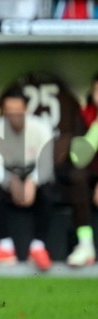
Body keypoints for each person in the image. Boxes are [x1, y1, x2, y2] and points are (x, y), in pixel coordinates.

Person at [0, 87, 56, 271]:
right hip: (9, 176)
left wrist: (32, 182)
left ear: (26, 110)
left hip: (33, 176)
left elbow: (46, 165)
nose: (14, 117)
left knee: (49, 190)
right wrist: (11, 182)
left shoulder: (41, 128)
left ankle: (38, 247)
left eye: (18, 112)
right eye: (9, 113)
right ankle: (5, 247)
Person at [66, 74, 98, 267]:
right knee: (76, 176)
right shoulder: (84, 115)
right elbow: (78, 157)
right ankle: (85, 245)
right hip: (90, 173)